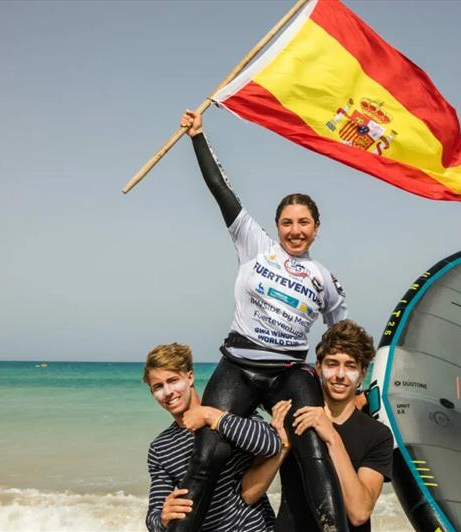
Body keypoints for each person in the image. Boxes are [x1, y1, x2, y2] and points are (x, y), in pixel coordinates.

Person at [171, 110, 350, 532]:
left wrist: (351, 394)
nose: (294, 229)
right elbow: (221, 190)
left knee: (313, 445)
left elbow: (341, 341)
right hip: (238, 366)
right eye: (287, 222)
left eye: (303, 222)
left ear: (316, 228)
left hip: (289, 373)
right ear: (276, 226)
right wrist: (198, 136)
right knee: (207, 455)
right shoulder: (255, 245)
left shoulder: (325, 279)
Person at [242, 320, 394, 532]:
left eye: (350, 366)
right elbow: (249, 494)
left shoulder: (378, 435)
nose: (340, 375)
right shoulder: (294, 417)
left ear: (362, 373)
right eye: (332, 364)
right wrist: (283, 444)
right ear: (319, 367)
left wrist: (332, 436)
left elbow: (359, 512)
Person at [144, 342, 283, 532]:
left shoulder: (229, 412)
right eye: (158, 387)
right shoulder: (161, 448)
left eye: (173, 380)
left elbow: (270, 444)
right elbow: (153, 518)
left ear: (190, 377)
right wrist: (163, 517)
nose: (168, 392)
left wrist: (211, 416)